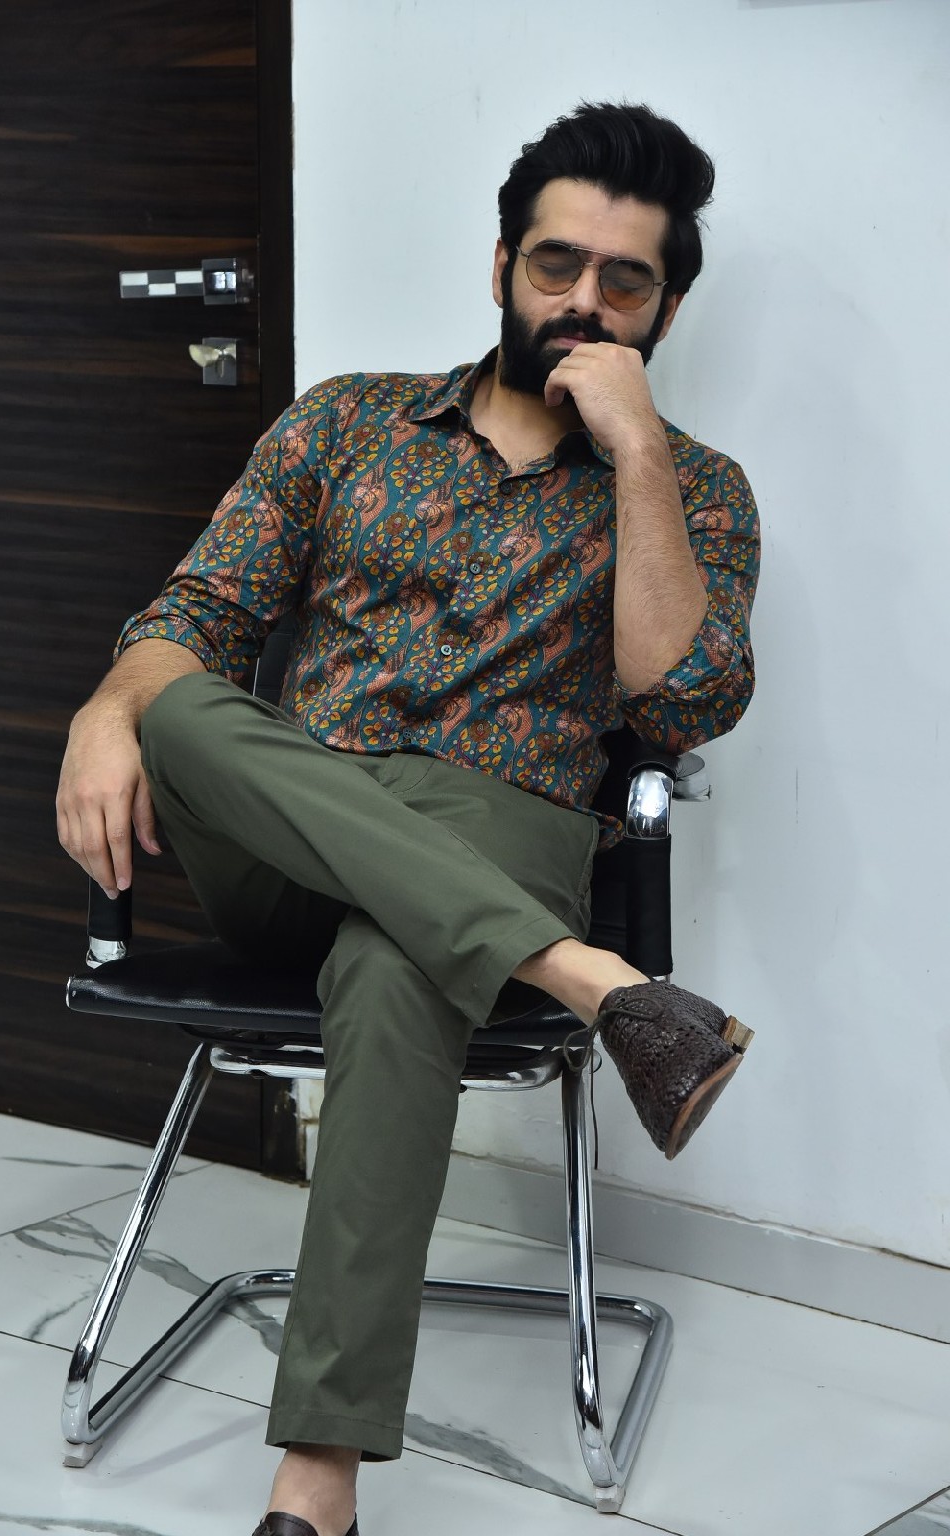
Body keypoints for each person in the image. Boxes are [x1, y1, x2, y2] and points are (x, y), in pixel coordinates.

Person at [57, 100, 760, 1536]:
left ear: (665, 311)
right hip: (292, 836)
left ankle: (315, 1482)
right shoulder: (347, 421)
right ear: (501, 264)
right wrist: (104, 711)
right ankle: (597, 983)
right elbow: (197, 614)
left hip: (500, 828)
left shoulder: (697, 489)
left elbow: (681, 701)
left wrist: (636, 455)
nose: (583, 301)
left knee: (400, 960)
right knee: (180, 705)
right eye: (556, 264)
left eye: (624, 282)